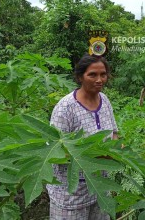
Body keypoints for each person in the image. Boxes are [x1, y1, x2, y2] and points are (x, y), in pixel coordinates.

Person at [47, 54, 118, 220]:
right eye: (92, 75)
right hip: (70, 194)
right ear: (80, 77)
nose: (99, 79)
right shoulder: (65, 108)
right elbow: (54, 151)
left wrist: (116, 147)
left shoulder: (105, 101)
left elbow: (114, 132)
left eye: (103, 74)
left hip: (99, 188)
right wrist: (99, 154)